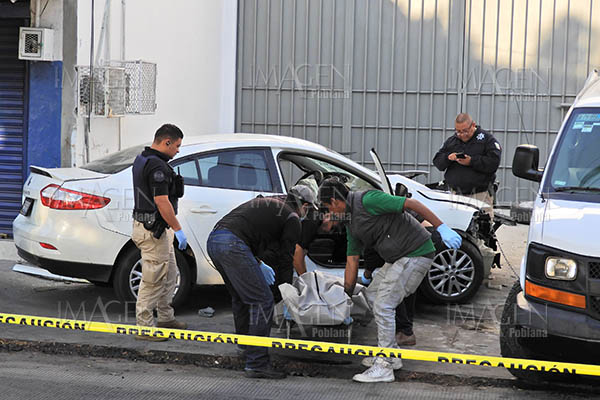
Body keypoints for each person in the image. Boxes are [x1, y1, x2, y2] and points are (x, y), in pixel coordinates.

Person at [318, 178, 462, 383]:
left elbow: (411, 204)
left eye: (327, 208)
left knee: (384, 304)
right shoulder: (351, 223)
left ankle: (384, 366)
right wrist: (345, 299)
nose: (328, 214)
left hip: (416, 253)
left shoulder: (368, 200)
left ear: (333, 202)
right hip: (398, 259)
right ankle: (391, 355)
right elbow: (352, 262)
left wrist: (441, 227)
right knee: (372, 296)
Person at [206, 185, 317, 379]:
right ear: (304, 205)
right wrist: (283, 290)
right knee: (262, 301)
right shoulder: (292, 218)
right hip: (233, 244)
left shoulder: (270, 203)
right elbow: (285, 257)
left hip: (214, 240)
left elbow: (260, 242)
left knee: (241, 297)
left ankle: (246, 346)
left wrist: (258, 263)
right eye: (308, 209)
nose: (306, 213)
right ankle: (256, 362)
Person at [131, 124, 189, 341]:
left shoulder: (143, 159)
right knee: (153, 280)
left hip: (157, 230)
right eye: (176, 146)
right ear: (166, 142)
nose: (178, 150)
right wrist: (178, 228)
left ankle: (165, 317)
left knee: (169, 275)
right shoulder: (157, 167)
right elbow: (162, 202)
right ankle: (144, 328)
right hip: (153, 232)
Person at [432, 113, 501, 218]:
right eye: (458, 131)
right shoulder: (451, 141)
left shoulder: (487, 140)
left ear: (473, 125)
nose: (462, 135)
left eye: (465, 131)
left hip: (479, 195)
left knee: (482, 229)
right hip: (455, 195)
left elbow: (493, 163)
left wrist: (471, 161)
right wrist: (448, 158)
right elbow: (438, 162)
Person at [361, 249, 417, 346]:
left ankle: (402, 333)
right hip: (415, 251)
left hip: (408, 252)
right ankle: (405, 331)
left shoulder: (365, 234)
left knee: (388, 296)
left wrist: (367, 273)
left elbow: (371, 253)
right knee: (402, 289)